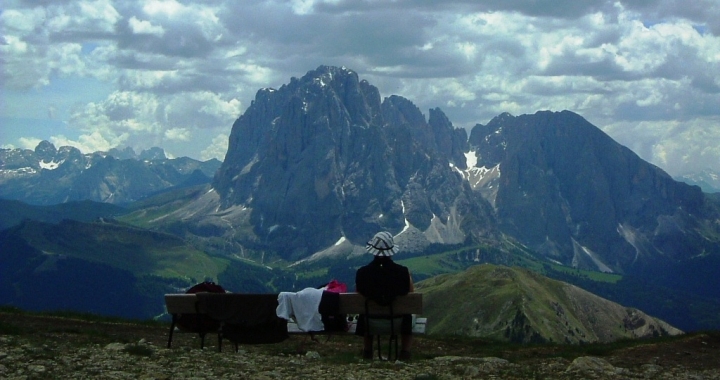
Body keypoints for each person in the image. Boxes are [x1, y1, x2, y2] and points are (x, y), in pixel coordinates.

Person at [355, 231, 414, 361]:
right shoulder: (403, 272)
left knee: (365, 311)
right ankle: (405, 353)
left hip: (370, 323)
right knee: (408, 314)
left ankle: (368, 351)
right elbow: (411, 295)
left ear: (373, 251)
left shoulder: (362, 273)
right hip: (397, 322)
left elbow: (358, 294)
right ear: (391, 251)